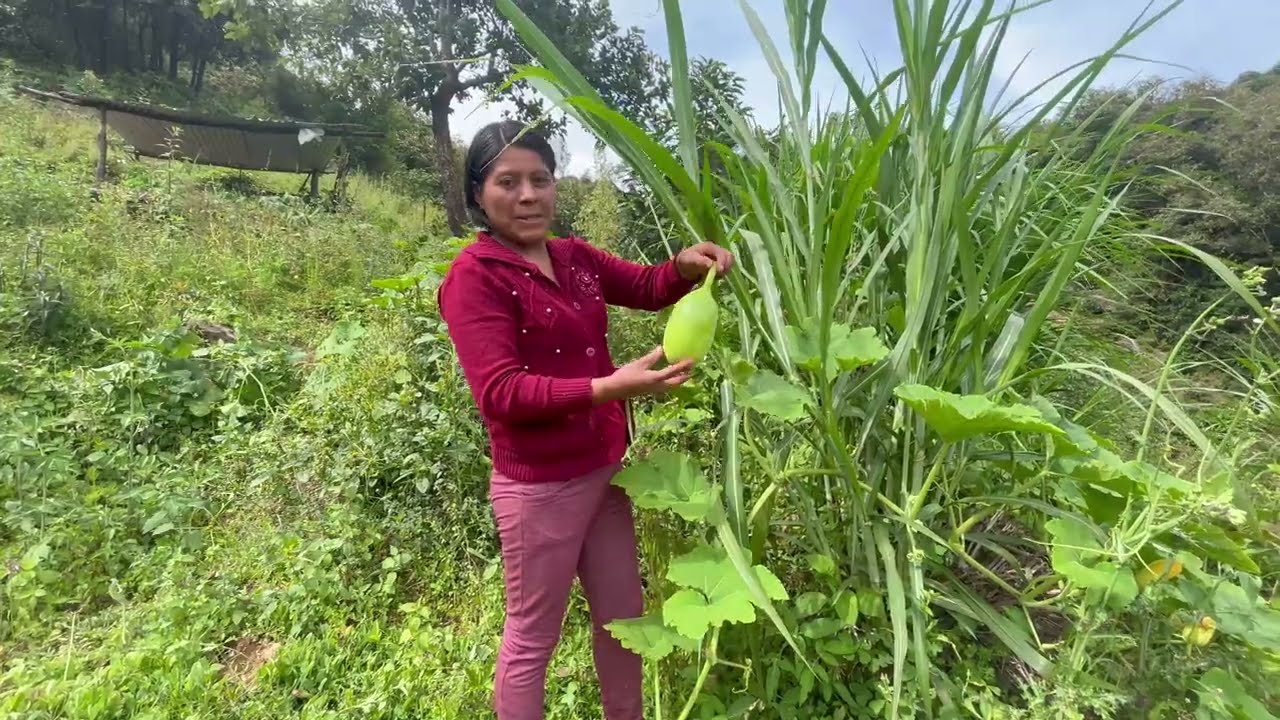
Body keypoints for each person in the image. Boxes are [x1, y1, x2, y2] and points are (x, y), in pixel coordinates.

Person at [436, 119, 734, 720]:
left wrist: (681, 267)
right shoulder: (476, 278)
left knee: (623, 619)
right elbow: (502, 392)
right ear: (477, 194)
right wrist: (609, 387)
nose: (528, 195)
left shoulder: (574, 259)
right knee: (533, 636)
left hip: (604, 471)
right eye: (508, 181)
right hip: (539, 488)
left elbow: (649, 286)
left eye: (540, 179)